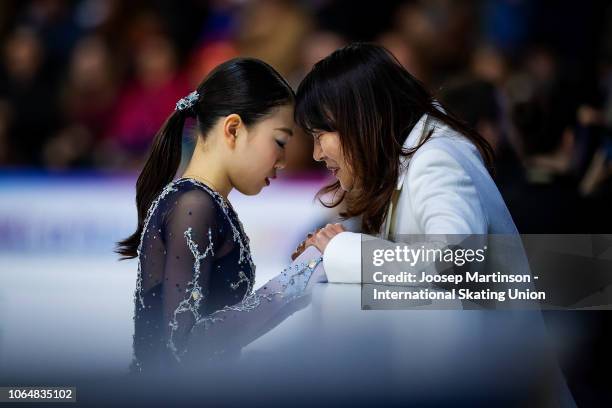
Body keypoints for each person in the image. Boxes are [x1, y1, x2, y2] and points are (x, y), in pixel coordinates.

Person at [116, 57, 323, 373]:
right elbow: (181, 348)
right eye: (279, 141)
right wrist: (296, 280)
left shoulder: (206, 204)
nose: (282, 160)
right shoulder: (193, 206)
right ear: (234, 129)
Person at [292, 43, 515, 282]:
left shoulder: (436, 158)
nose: (316, 154)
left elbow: (456, 262)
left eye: (319, 136)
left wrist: (342, 250)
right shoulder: (395, 164)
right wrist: (328, 257)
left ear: (358, 120)